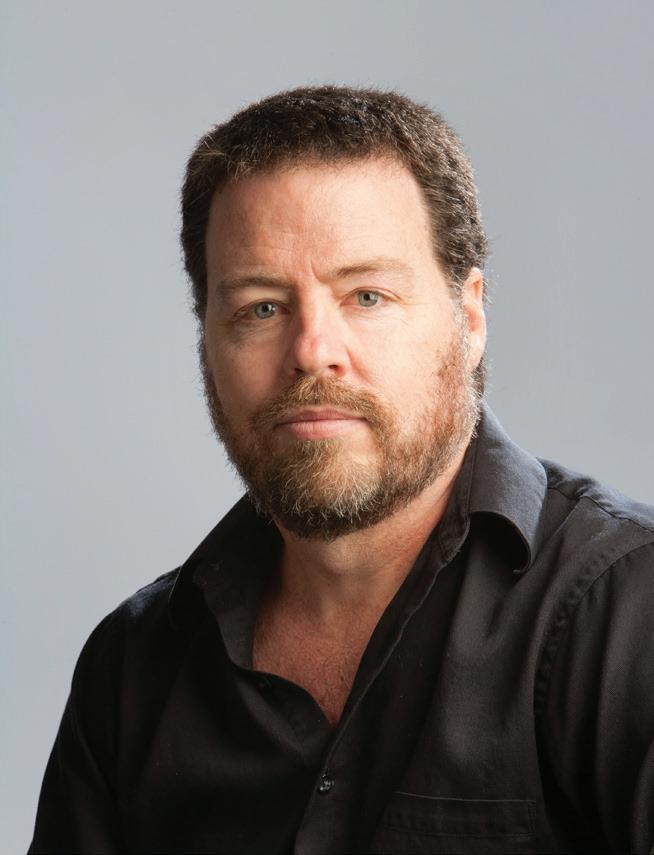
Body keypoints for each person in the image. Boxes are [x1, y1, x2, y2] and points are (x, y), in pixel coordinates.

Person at [30, 86, 653, 855]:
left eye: (367, 295)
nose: (311, 351)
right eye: (261, 307)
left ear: (470, 318)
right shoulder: (132, 670)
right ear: (207, 344)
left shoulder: (626, 610)